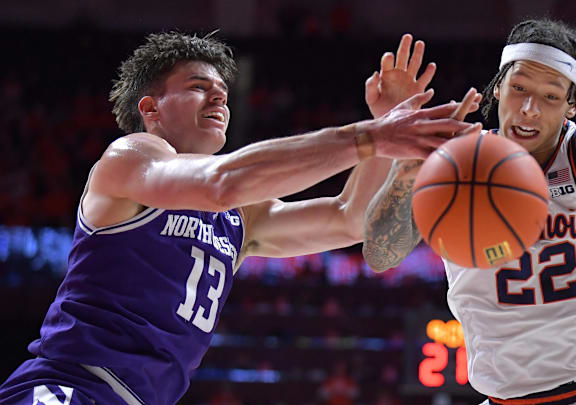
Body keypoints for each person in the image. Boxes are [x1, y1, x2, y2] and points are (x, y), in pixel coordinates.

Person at [0, 32, 482, 405]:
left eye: (224, 93)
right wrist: (372, 136)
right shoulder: (129, 158)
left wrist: (391, 133)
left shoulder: (240, 217)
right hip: (71, 386)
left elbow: (349, 219)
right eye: (198, 87)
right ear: (151, 108)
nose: (219, 100)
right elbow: (218, 182)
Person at [363, 20, 576, 404]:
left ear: (571, 105)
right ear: (498, 86)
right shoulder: (457, 158)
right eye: (519, 88)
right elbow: (380, 255)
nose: (530, 109)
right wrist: (408, 165)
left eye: (550, 96)